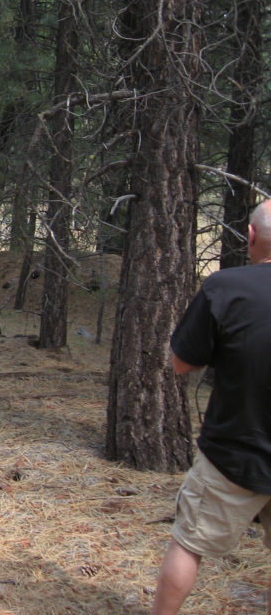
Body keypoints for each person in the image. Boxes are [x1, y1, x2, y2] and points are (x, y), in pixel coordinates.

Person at [151, 200, 271, 615]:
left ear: (251, 236)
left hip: (232, 451)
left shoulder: (225, 287)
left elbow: (182, 362)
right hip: (234, 449)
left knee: (188, 544)